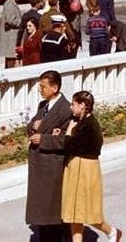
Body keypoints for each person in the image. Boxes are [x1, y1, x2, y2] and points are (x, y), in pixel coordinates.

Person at [58, 91, 122, 242]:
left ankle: (112, 232)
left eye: (73, 104)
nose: (70, 107)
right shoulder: (80, 121)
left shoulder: (89, 125)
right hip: (76, 168)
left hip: (85, 170)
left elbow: (69, 145)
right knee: (74, 214)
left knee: (88, 211)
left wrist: (67, 133)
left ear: (82, 105)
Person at [26, 70, 73, 241]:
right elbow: (31, 125)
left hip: (52, 166)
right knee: (42, 211)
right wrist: (33, 125)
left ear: (55, 87)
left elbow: (67, 140)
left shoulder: (65, 109)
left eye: (43, 87)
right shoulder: (43, 106)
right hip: (39, 166)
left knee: (52, 211)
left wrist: (43, 139)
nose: (40, 90)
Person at [0, 0, 22, 69]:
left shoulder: (12, 4)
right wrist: (21, 23)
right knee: (11, 59)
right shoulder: (9, 4)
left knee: (11, 58)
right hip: (11, 36)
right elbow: (11, 20)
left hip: (11, 36)